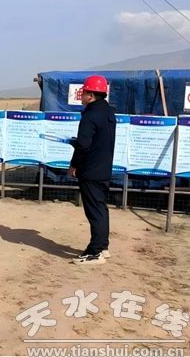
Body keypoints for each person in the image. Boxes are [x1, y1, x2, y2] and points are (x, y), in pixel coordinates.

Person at [68, 75, 116, 265]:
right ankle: (102, 247)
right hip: (103, 168)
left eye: (84, 92)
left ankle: (95, 252)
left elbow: (84, 145)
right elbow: (96, 140)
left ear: (91, 95)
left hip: (90, 170)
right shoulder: (108, 112)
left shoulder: (90, 115)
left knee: (94, 212)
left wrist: (74, 165)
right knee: (100, 209)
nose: (81, 95)